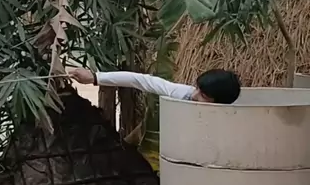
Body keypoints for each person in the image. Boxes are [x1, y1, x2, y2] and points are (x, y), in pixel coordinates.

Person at [67, 66, 241, 104]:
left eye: (203, 95)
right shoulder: (185, 95)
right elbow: (142, 81)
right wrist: (95, 77)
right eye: (197, 89)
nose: (194, 95)